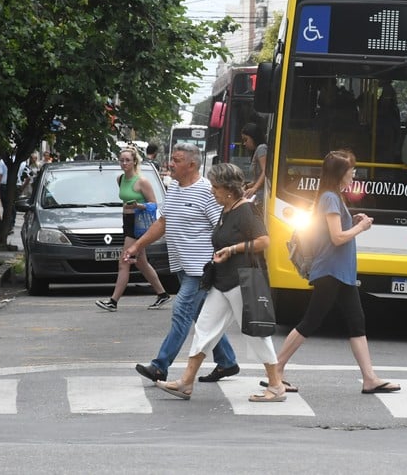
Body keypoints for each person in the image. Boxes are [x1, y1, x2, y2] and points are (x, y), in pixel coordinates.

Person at [270, 150, 401, 395]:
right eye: (351, 170)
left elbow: (338, 230)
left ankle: (369, 378)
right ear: (340, 173)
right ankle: (276, 369)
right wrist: (360, 227)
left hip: (342, 272)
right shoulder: (330, 198)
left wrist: (354, 220)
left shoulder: (334, 197)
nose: (354, 174)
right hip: (331, 271)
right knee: (311, 321)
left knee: (356, 323)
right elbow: (337, 237)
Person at [154, 163, 286, 402]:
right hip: (222, 281)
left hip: (240, 281)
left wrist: (232, 249)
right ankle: (186, 382)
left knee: (256, 334)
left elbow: (264, 241)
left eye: (215, 187)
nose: (212, 191)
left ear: (228, 189)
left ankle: (276, 386)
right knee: (204, 328)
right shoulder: (227, 208)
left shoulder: (245, 210)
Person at [127, 143, 238, 384]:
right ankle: (227, 361)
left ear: (191, 165)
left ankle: (160, 366)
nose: (170, 164)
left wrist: (220, 258)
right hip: (182, 265)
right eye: (171, 159)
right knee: (201, 316)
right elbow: (163, 222)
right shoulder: (175, 188)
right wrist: (137, 246)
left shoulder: (207, 191)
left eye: (176, 160)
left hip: (201, 269)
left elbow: (222, 227)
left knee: (181, 314)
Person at [96, 147, 172, 312]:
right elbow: (124, 198)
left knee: (124, 261)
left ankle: (113, 301)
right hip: (127, 221)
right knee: (141, 262)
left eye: (127, 160)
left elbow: (154, 204)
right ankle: (162, 294)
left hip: (139, 223)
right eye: (121, 160)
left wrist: (138, 205)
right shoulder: (120, 179)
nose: (124, 163)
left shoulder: (142, 181)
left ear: (134, 162)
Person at [241, 122, 267, 209]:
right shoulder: (257, 150)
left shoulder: (261, 148)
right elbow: (259, 179)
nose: (244, 143)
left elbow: (265, 171)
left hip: (263, 197)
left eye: (246, 140)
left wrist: (254, 188)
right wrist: (247, 186)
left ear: (254, 137)